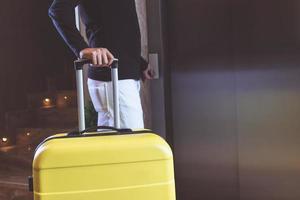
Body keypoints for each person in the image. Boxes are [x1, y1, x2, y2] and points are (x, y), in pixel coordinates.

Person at [48, 0, 154, 128]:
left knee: (115, 145)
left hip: (122, 77)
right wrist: (82, 49)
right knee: (131, 145)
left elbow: (119, 27)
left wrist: (139, 63)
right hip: (113, 79)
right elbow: (57, 10)